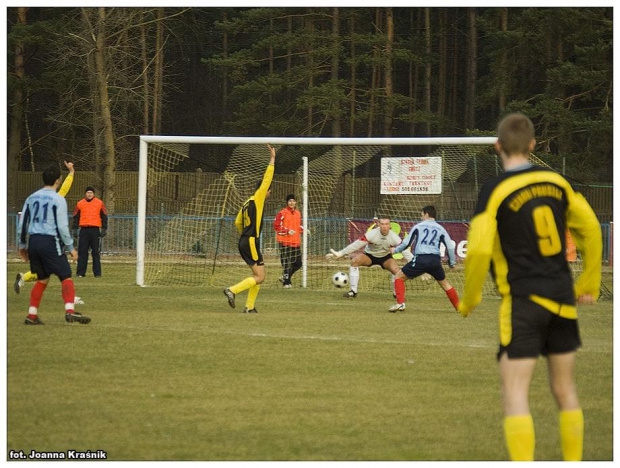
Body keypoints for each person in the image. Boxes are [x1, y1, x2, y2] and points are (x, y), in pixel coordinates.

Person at [458, 113, 602, 461]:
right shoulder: (558, 182)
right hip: (562, 299)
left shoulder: (494, 190)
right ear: (534, 145)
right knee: (565, 391)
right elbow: (593, 229)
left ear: (497, 146)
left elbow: (477, 248)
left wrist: (472, 296)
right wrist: (589, 283)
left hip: (523, 300)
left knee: (515, 393)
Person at [17, 164, 90, 325]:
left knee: (42, 279)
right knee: (65, 275)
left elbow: (23, 224)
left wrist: (22, 245)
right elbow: (63, 226)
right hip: (49, 241)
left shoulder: (32, 197)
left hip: (34, 241)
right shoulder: (58, 199)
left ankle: (32, 315)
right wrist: (71, 248)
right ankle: (70, 311)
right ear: (58, 180)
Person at [223, 144, 276, 313]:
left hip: (244, 240)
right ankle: (232, 290)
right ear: (264, 190)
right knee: (260, 276)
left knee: (259, 276)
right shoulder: (258, 198)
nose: (269, 194)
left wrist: (244, 235)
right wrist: (272, 159)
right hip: (251, 240)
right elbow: (266, 179)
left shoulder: (247, 202)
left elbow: (238, 222)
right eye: (269, 191)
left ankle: (250, 307)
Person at [389, 206, 459, 313]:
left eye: (421, 214)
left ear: (426, 214)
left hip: (421, 259)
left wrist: (395, 251)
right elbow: (449, 246)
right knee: (445, 283)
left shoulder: (418, 226)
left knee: (399, 276)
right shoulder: (441, 228)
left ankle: (400, 303)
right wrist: (452, 262)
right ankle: (459, 307)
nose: (420, 217)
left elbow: (406, 243)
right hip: (435, 260)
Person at [326, 217, 406, 298]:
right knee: (355, 261)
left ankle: (396, 294)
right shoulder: (372, 234)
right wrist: (340, 253)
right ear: (378, 224)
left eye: (386, 224)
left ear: (390, 226)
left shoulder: (395, 237)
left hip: (386, 257)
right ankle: (353, 291)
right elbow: (356, 245)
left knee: (396, 270)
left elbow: (405, 250)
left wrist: (414, 262)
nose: (384, 226)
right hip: (370, 256)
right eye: (382, 224)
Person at [72, 186, 108, 277]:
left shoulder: (99, 203)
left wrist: (104, 229)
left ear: (93, 194)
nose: (89, 194)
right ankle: (80, 273)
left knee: (95, 252)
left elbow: (104, 216)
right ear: (85, 194)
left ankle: (97, 273)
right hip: (84, 230)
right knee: (82, 252)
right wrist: (75, 229)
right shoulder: (80, 203)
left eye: (91, 193)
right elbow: (76, 217)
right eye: (88, 192)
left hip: (95, 230)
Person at [274, 194, 304, 288]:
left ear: (295, 202)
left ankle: (285, 277)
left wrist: (304, 230)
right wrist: (286, 231)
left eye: (293, 201)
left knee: (298, 263)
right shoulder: (282, 213)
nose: (292, 203)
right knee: (286, 263)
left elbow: (299, 226)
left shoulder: (298, 213)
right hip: (285, 241)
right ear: (287, 202)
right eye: (290, 201)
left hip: (295, 242)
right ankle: (286, 282)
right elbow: (277, 226)